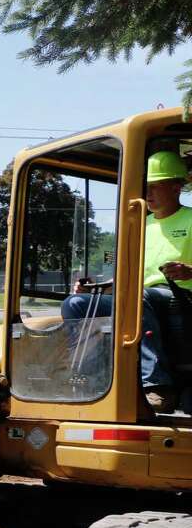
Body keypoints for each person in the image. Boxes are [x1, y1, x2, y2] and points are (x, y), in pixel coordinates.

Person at [61, 150, 192, 412]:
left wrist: (190, 271)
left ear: (177, 186)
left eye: (155, 186)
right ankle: (91, 381)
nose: (148, 194)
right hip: (141, 296)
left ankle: (157, 385)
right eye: (145, 188)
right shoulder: (141, 224)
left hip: (181, 297)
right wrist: (96, 288)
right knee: (75, 304)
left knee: (138, 296)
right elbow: (127, 272)